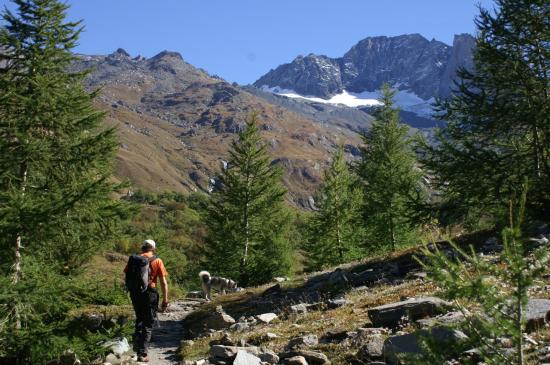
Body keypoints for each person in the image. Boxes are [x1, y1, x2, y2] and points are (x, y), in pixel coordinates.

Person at [124, 239, 169, 363]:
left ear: (143, 248)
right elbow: (163, 283)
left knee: (139, 319)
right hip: (150, 293)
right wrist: (165, 301)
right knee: (148, 323)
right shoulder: (157, 260)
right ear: (153, 249)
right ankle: (142, 353)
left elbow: (127, 275)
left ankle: (137, 347)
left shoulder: (134, 259)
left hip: (135, 293)